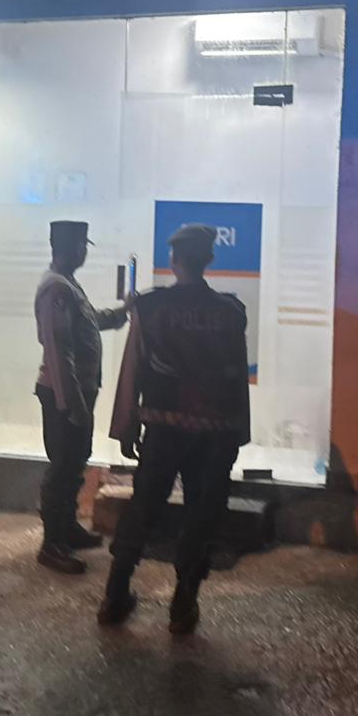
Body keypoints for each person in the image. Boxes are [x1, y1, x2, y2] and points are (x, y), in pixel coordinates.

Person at [98, 224, 250, 635]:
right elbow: (237, 376)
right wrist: (240, 431)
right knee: (203, 514)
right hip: (216, 433)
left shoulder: (150, 307)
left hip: (163, 429)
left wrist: (126, 426)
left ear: (173, 260)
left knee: (143, 507)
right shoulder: (231, 312)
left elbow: (133, 368)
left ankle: (114, 596)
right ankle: (183, 604)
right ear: (209, 259)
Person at [34, 220, 129, 575]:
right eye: (82, 246)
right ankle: (51, 545)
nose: (84, 252)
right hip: (64, 394)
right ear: (73, 248)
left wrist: (121, 313)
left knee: (75, 462)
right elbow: (58, 352)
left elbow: (88, 322)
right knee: (62, 467)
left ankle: (67, 529)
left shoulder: (68, 285)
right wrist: (70, 404)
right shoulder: (56, 289)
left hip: (78, 392)